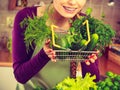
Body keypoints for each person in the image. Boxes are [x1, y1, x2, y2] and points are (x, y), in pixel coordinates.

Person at [12, 0, 100, 89]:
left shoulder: (85, 23)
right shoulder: (27, 17)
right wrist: (45, 54)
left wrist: (84, 55)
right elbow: (20, 76)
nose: (73, 2)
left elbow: (94, 80)